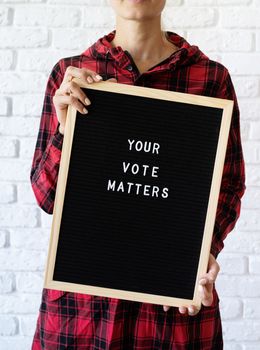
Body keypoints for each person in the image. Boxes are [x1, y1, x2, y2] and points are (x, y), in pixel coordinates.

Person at [30, 0, 246, 348]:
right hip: (82, 313)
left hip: (170, 314)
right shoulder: (70, 75)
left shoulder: (210, 79)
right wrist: (66, 132)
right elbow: (47, 197)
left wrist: (201, 250)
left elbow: (229, 185)